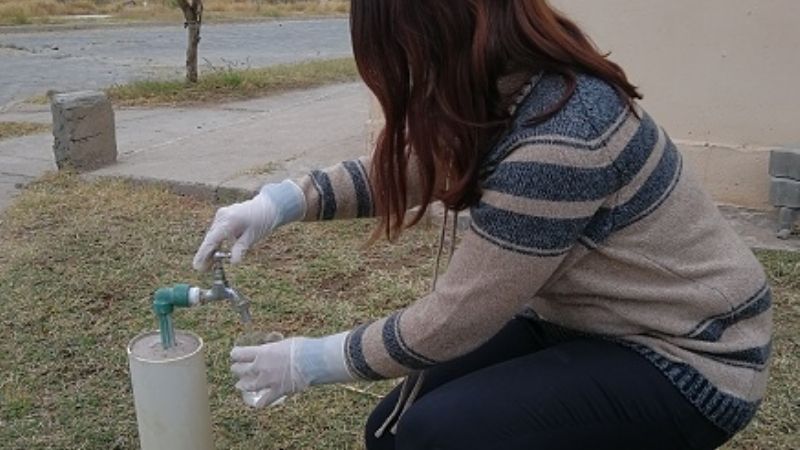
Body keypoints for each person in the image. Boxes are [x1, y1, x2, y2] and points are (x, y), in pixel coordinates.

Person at [193, 1, 772, 449]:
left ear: (437, 34)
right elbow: (417, 164)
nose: (402, 75)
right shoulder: (508, 86)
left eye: (399, 54)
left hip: (692, 358)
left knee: (436, 435)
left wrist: (310, 361)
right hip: (592, 321)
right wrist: (282, 201)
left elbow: (454, 318)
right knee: (388, 434)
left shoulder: (562, 139)